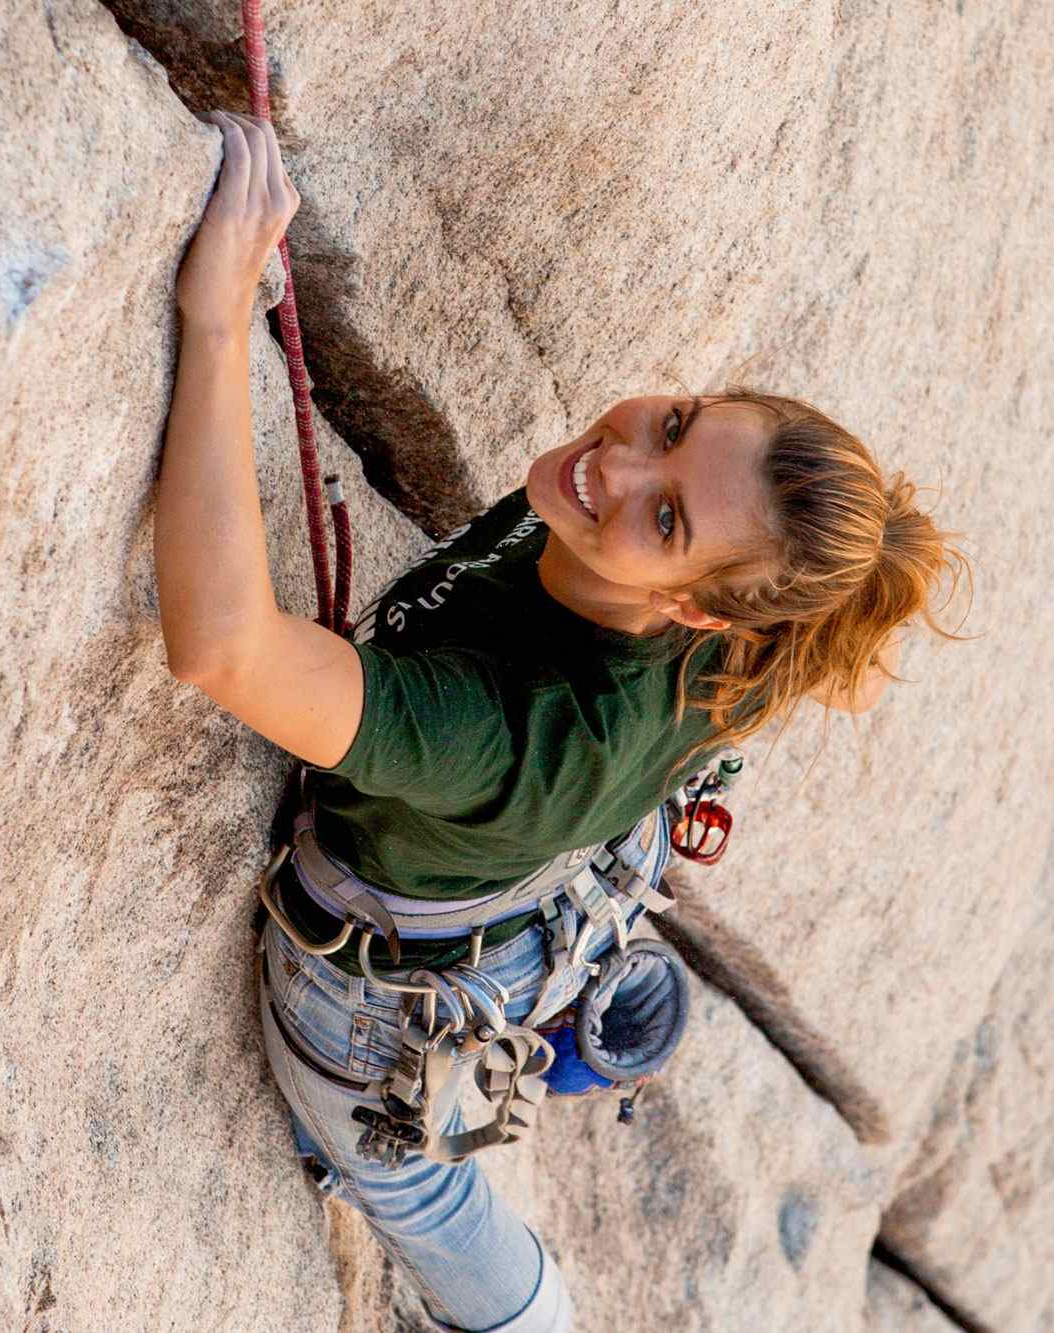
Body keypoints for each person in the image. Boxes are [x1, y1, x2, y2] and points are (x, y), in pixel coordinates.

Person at [156, 111, 967, 1333]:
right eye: (678, 423)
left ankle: (530, 1319)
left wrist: (216, 318)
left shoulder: (519, 733)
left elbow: (224, 648)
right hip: (558, 863)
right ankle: (584, 1006)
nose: (617, 467)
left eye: (667, 520)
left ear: (694, 606)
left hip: (373, 990)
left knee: (403, 1181)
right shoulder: (726, 627)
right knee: (565, 853)